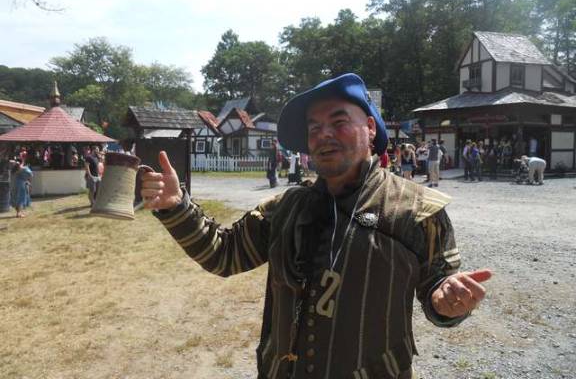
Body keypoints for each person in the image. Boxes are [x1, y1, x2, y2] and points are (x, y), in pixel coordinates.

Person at [141, 73, 492, 379]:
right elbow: (225, 255)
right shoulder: (286, 208)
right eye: (314, 128)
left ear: (370, 128)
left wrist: (447, 302)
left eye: (339, 122)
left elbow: (439, 290)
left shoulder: (418, 209)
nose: (324, 134)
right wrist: (177, 208)